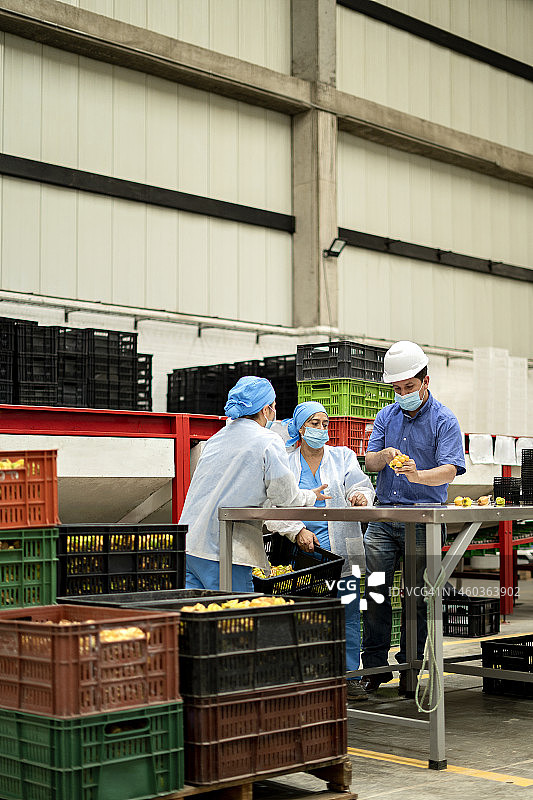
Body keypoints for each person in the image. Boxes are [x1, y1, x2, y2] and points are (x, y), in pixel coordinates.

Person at [362, 341, 466, 694]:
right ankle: (375, 667)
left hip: (422, 522)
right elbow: (369, 462)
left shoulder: (444, 420)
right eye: (397, 388)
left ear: (425, 381)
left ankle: (410, 669)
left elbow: (451, 469)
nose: (402, 394)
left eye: (409, 387)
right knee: (375, 593)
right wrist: (386, 453)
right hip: (383, 519)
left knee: (416, 598)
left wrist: (419, 475)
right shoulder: (386, 416)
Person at [265, 401, 375, 701]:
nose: (322, 429)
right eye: (314, 423)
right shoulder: (286, 460)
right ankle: (309, 676)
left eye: (325, 424)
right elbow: (274, 503)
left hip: (343, 555)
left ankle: (350, 675)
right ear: (301, 428)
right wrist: (297, 530)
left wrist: (360, 496)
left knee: (349, 614)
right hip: (304, 553)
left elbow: (359, 483)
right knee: (305, 615)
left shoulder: (343, 456)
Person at [179, 376, 329, 592]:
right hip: (224, 551)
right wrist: (311, 496)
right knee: (236, 619)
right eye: (274, 407)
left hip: (191, 545)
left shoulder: (216, 439)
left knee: (199, 617)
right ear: (266, 409)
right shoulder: (267, 440)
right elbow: (284, 498)